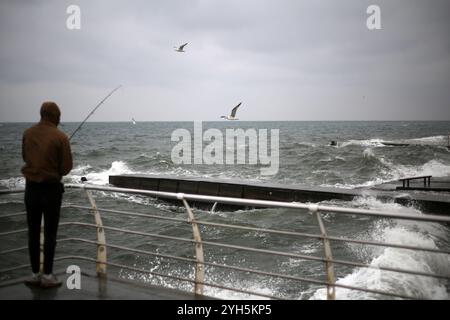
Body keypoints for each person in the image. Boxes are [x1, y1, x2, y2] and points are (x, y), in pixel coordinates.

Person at [22, 101, 73, 288]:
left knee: (33, 233)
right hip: (51, 191)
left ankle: (35, 274)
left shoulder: (27, 133)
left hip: (31, 189)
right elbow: (66, 168)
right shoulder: (61, 137)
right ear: (55, 117)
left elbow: (25, 157)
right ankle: (48, 276)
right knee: (50, 234)